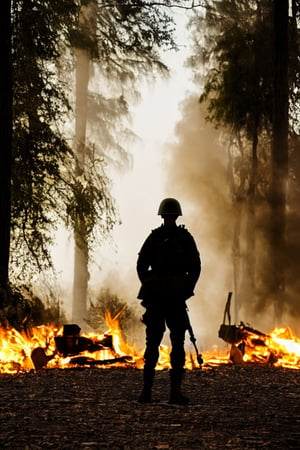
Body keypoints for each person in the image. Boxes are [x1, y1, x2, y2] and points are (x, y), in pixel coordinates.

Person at [136, 198, 201, 404]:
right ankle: (164, 393)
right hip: (170, 298)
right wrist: (185, 288)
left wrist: (150, 284)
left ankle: (151, 392)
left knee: (159, 343)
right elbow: (196, 267)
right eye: (169, 217)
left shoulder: (156, 237)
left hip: (162, 298)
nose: (170, 219)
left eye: (170, 217)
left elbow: (141, 266)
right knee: (169, 343)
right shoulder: (182, 238)